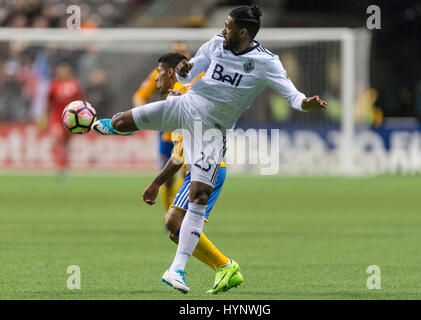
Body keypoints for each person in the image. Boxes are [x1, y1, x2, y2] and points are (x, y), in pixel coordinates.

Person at [92, 4, 327, 293]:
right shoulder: (216, 43)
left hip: (212, 131)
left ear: (242, 32)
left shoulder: (266, 62)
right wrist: (182, 71)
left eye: (228, 26)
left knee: (199, 195)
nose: (223, 29)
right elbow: (188, 78)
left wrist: (306, 104)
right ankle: (88, 124)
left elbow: (293, 96)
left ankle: (177, 269)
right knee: (122, 121)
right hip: (185, 107)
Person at [140, 52, 243, 293]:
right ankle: (224, 266)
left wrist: (155, 183)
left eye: (159, 73)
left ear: (171, 73)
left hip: (206, 169)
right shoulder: (178, 102)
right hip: (199, 169)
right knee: (175, 230)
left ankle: (219, 266)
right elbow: (178, 154)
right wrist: (156, 183)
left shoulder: (188, 96)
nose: (156, 79)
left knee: (173, 222)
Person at [133, 41, 197, 211]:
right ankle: (170, 215)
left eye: (183, 51)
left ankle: (180, 215)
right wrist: (145, 117)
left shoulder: (200, 73)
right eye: (176, 51)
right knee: (167, 179)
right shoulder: (160, 73)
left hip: (190, 131)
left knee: (188, 173)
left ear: (189, 54)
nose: (180, 54)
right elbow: (140, 96)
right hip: (168, 132)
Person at [47, 61, 84, 178]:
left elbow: (81, 102)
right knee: (58, 142)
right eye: (61, 69)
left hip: (71, 120)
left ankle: (65, 167)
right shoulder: (53, 84)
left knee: (67, 144)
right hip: (57, 119)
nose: (63, 71)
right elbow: (49, 102)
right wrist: (46, 117)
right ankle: (60, 167)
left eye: (65, 69)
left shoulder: (75, 84)